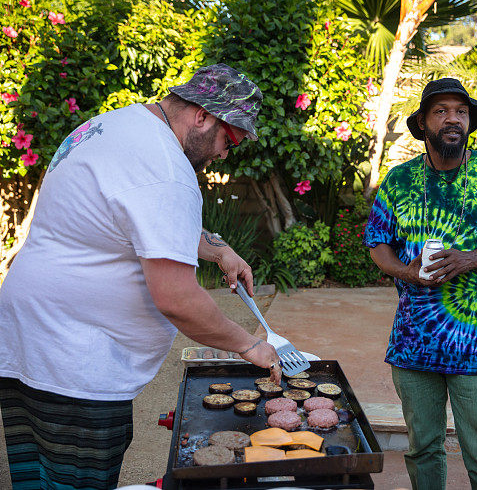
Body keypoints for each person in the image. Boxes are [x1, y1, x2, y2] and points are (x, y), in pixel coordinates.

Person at [0, 63, 281, 489]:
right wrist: (249, 344)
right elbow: (176, 299)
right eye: (230, 138)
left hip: (26, 343)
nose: (226, 152)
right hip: (75, 367)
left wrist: (218, 250)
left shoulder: (112, 126)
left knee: (35, 480)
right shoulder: (166, 168)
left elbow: (129, 219)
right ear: (203, 115)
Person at [364, 77, 477, 490]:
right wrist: (407, 271)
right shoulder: (400, 180)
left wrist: (471, 259)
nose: (452, 119)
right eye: (440, 111)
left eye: (460, 111)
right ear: (423, 123)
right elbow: (377, 244)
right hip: (413, 341)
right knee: (423, 450)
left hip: (475, 344)